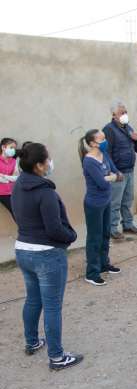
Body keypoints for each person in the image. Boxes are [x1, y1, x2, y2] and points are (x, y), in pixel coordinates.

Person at [11, 142, 83, 370]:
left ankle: (32, 343)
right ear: (40, 166)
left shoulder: (18, 185)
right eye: (48, 159)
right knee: (52, 306)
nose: (51, 162)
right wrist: (71, 236)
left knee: (33, 299)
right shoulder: (45, 193)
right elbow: (54, 229)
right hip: (47, 255)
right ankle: (57, 357)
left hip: (23, 250)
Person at [79, 129, 122, 286]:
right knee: (94, 238)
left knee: (105, 234)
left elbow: (118, 174)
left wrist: (112, 176)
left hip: (105, 201)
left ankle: (104, 264)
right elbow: (102, 183)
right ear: (92, 143)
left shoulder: (104, 155)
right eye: (101, 139)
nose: (105, 141)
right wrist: (112, 177)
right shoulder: (89, 161)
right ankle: (91, 272)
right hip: (94, 204)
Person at [103, 101, 137, 240]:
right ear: (114, 115)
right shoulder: (109, 130)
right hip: (118, 172)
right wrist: (114, 171)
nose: (125, 115)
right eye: (122, 113)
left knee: (127, 200)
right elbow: (106, 153)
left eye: (125, 112)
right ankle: (112, 229)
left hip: (129, 170)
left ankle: (128, 224)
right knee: (115, 202)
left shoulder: (128, 127)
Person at [0, 137, 19, 219]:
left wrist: (4, 176)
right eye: (11, 147)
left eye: (14, 148)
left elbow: (16, 177)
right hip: (2, 193)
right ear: (3, 147)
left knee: (18, 212)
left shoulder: (14, 161)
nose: (13, 150)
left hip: (11, 192)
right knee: (16, 212)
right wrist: (9, 178)